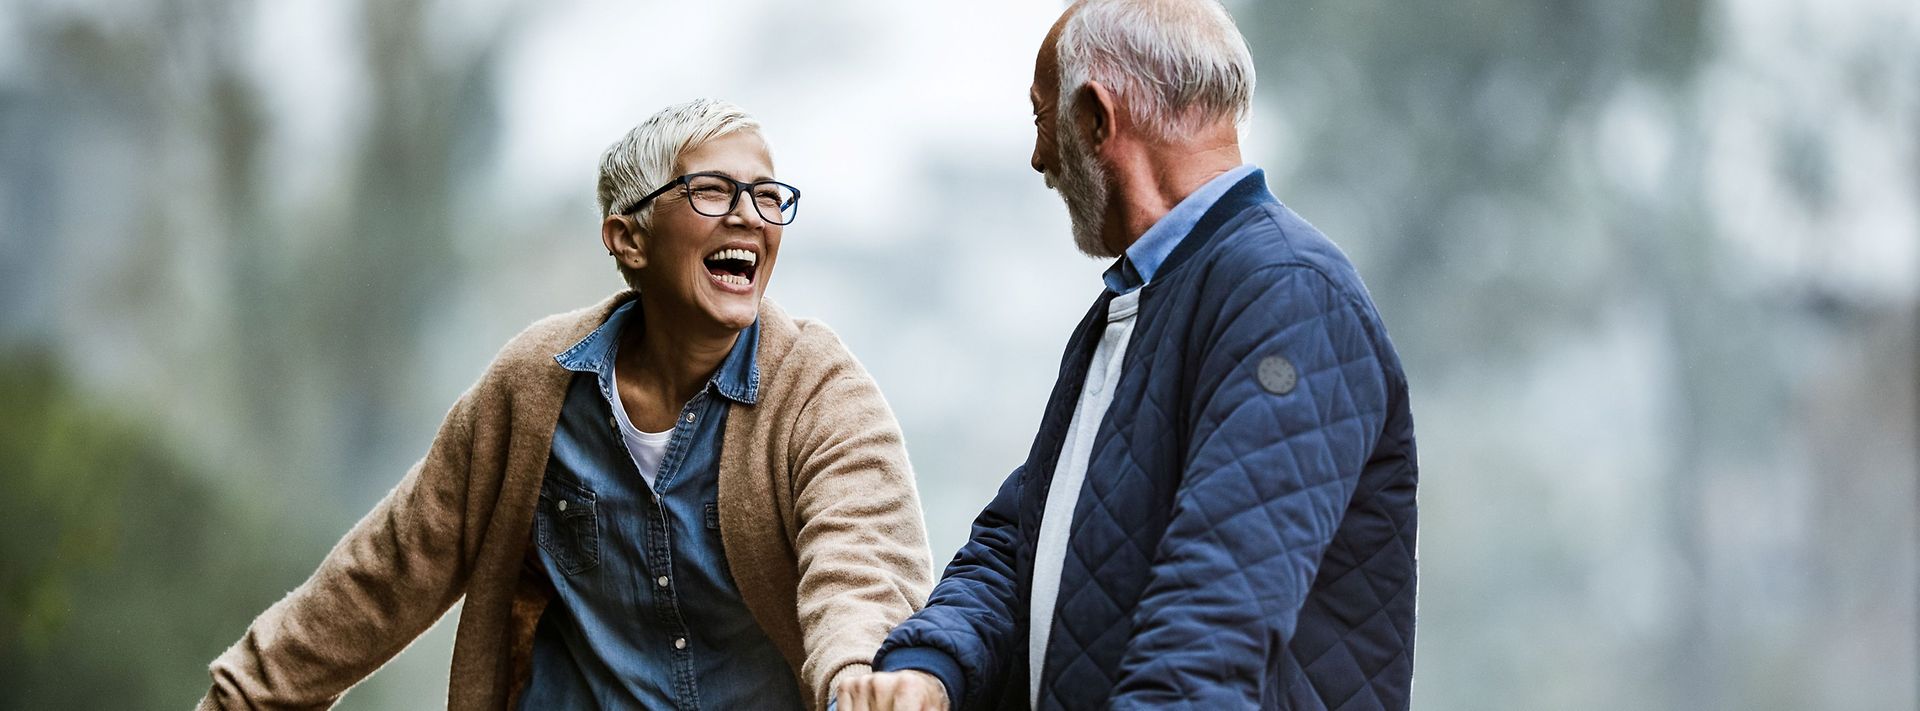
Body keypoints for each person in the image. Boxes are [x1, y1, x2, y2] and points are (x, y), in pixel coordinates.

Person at [199, 99, 934, 710]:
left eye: (767, 196)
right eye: (712, 191)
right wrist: (241, 698)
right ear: (628, 239)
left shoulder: (821, 393)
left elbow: (862, 565)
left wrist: (857, 674)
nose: (748, 216)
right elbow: (387, 573)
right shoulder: (533, 386)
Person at [835, 1, 1418, 709]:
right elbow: (1025, 539)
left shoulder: (1287, 296)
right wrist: (930, 666)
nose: (1040, 158)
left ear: (1095, 118)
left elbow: (1207, 636)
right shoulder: (1140, 303)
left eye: (1041, 119)